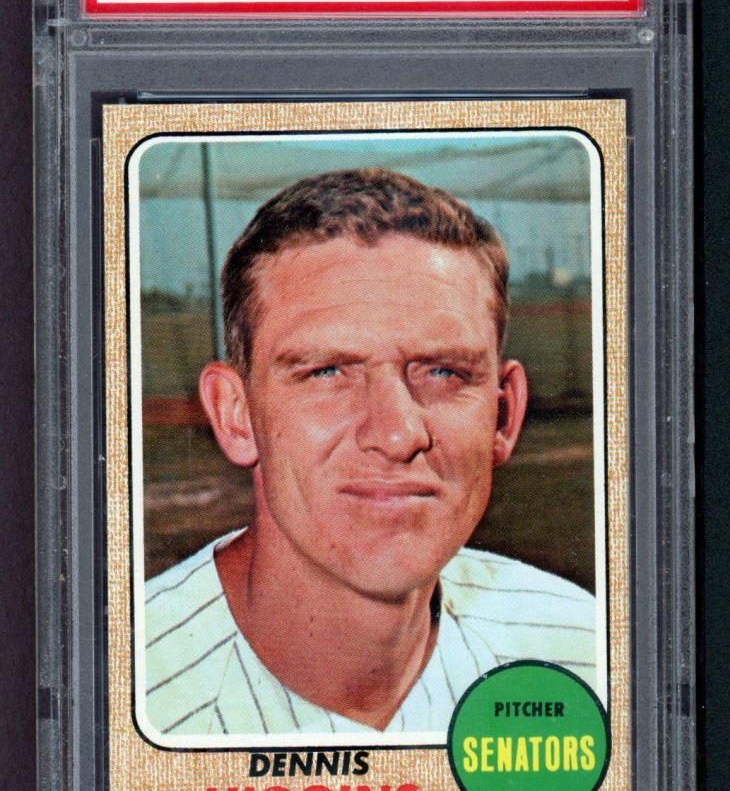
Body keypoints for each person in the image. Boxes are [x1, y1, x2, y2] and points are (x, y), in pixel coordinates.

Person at [142, 168, 596, 741]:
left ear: (504, 415)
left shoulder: (583, 652)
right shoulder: (125, 690)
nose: (398, 434)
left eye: (443, 372)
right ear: (236, 415)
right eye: (327, 371)